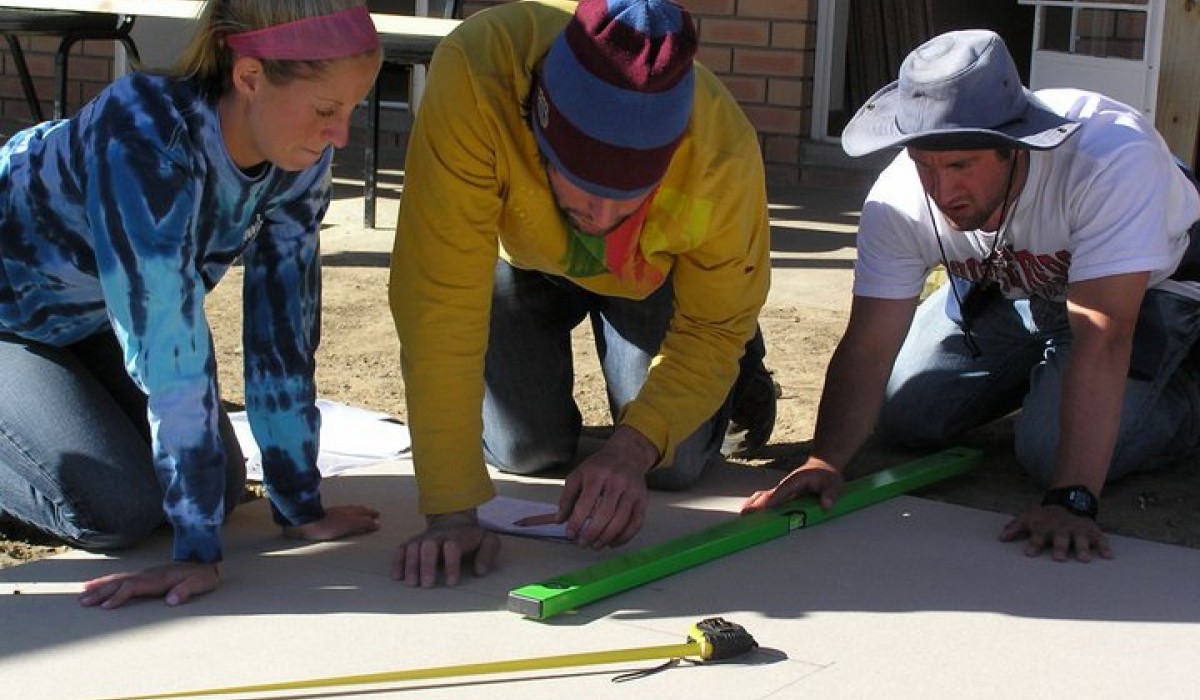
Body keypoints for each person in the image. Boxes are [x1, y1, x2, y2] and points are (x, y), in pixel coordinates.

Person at [743, 29, 1200, 562]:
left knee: (1048, 450)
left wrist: (1072, 497)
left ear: (1014, 145)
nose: (942, 193)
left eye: (962, 166)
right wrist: (825, 461)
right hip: (1012, 284)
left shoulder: (1110, 159)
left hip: (1145, 293)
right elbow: (869, 342)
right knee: (904, 413)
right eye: (925, 165)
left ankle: (1183, 394)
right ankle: (1047, 382)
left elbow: (1103, 338)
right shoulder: (900, 198)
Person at [0, 0, 385, 609]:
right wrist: (196, 552)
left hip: (85, 317)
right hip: (9, 319)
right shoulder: (144, 136)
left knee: (224, 486)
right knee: (117, 510)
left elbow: (283, 330)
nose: (340, 132)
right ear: (250, 76)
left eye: (353, 109)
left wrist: (298, 502)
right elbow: (168, 345)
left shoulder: (300, 155)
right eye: (326, 109)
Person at [389, 0, 777, 587]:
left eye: (628, 198)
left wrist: (630, 450)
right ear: (537, 117)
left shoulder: (723, 154)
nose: (599, 216)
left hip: (651, 275)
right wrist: (450, 510)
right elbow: (439, 300)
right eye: (583, 189)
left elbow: (712, 328)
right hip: (523, 258)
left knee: (671, 469)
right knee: (523, 452)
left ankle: (741, 376)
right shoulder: (478, 71)